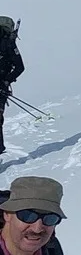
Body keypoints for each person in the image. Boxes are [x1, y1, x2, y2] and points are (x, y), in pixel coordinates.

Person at [0, 18, 22, 157]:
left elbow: (20, 67)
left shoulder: (8, 44)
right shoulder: (9, 43)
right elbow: (19, 67)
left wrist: (5, 81)